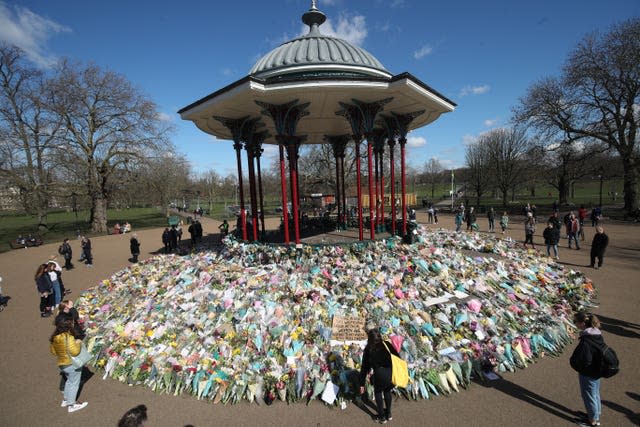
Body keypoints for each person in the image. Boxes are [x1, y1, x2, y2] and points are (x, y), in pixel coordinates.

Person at [570, 312, 605, 427]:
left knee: (589, 396)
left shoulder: (587, 341)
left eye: (575, 322)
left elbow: (584, 359)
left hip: (588, 372)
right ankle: (595, 414)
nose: (574, 324)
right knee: (595, 394)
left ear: (583, 323)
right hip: (597, 370)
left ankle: (593, 422)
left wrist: (576, 364)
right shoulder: (596, 334)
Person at [359, 328, 400, 424]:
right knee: (387, 391)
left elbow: (364, 367)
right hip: (391, 373)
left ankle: (382, 417)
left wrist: (362, 383)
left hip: (379, 374)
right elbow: (398, 357)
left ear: (369, 338)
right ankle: (388, 414)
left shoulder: (369, 349)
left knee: (378, 392)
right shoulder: (387, 344)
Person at [49, 317, 89, 413]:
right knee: (74, 383)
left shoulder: (55, 337)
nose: (73, 325)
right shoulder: (69, 337)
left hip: (62, 363)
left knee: (69, 382)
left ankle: (66, 400)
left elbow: (53, 352)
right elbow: (74, 352)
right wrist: (78, 343)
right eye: (71, 323)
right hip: (71, 364)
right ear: (67, 326)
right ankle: (72, 404)